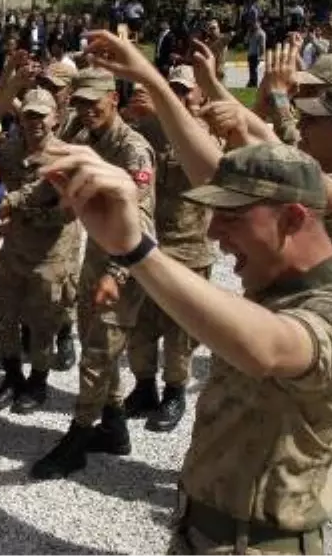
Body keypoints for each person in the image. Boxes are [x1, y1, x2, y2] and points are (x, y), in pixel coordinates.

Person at [38, 140, 332, 556]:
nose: (214, 233)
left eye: (232, 217)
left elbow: (270, 350)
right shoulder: (277, 284)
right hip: (206, 532)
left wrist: (135, 248)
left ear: (293, 218)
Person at [30, 68, 156, 480]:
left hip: (124, 268)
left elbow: (144, 223)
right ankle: (115, 427)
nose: (86, 111)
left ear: (114, 100)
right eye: (80, 103)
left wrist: (116, 275)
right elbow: (55, 184)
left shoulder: (134, 150)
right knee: (96, 343)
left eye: (94, 103)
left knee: (98, 354)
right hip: (96, 259)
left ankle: (79, 437)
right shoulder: (85, 141)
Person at [122, 68, 211, 433]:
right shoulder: (143, 132)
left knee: (179, 329)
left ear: (199, 96)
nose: (177, 96)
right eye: (171, 89)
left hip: (189, 248)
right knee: (139, 324)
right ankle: (144, 387)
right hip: (147, 244)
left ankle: (174, 391)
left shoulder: (205, 136)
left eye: (184, 91)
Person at [0, 89, 81, 415]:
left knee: (43, 323)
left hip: (50, 254)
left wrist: (17, 212)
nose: (35, 122)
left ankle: (38, 382)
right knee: (4, 315)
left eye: (42, 115)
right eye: (29, 115)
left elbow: (68, 213)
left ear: (55, 117)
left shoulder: (67, 156)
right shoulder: (9, 151)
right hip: (14, 251)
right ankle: (12, 376)